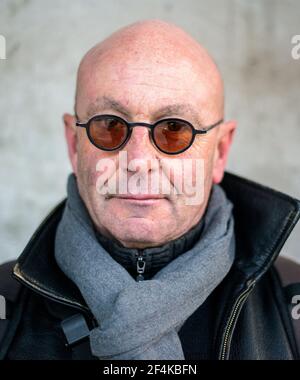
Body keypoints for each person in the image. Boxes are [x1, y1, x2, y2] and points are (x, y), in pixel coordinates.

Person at [0, 20, 300, 360]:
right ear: (74, 143)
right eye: (110, 126)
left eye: (174, 129)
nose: (138, 161)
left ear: (219, 152)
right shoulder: (5, 304)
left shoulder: (292, 303)